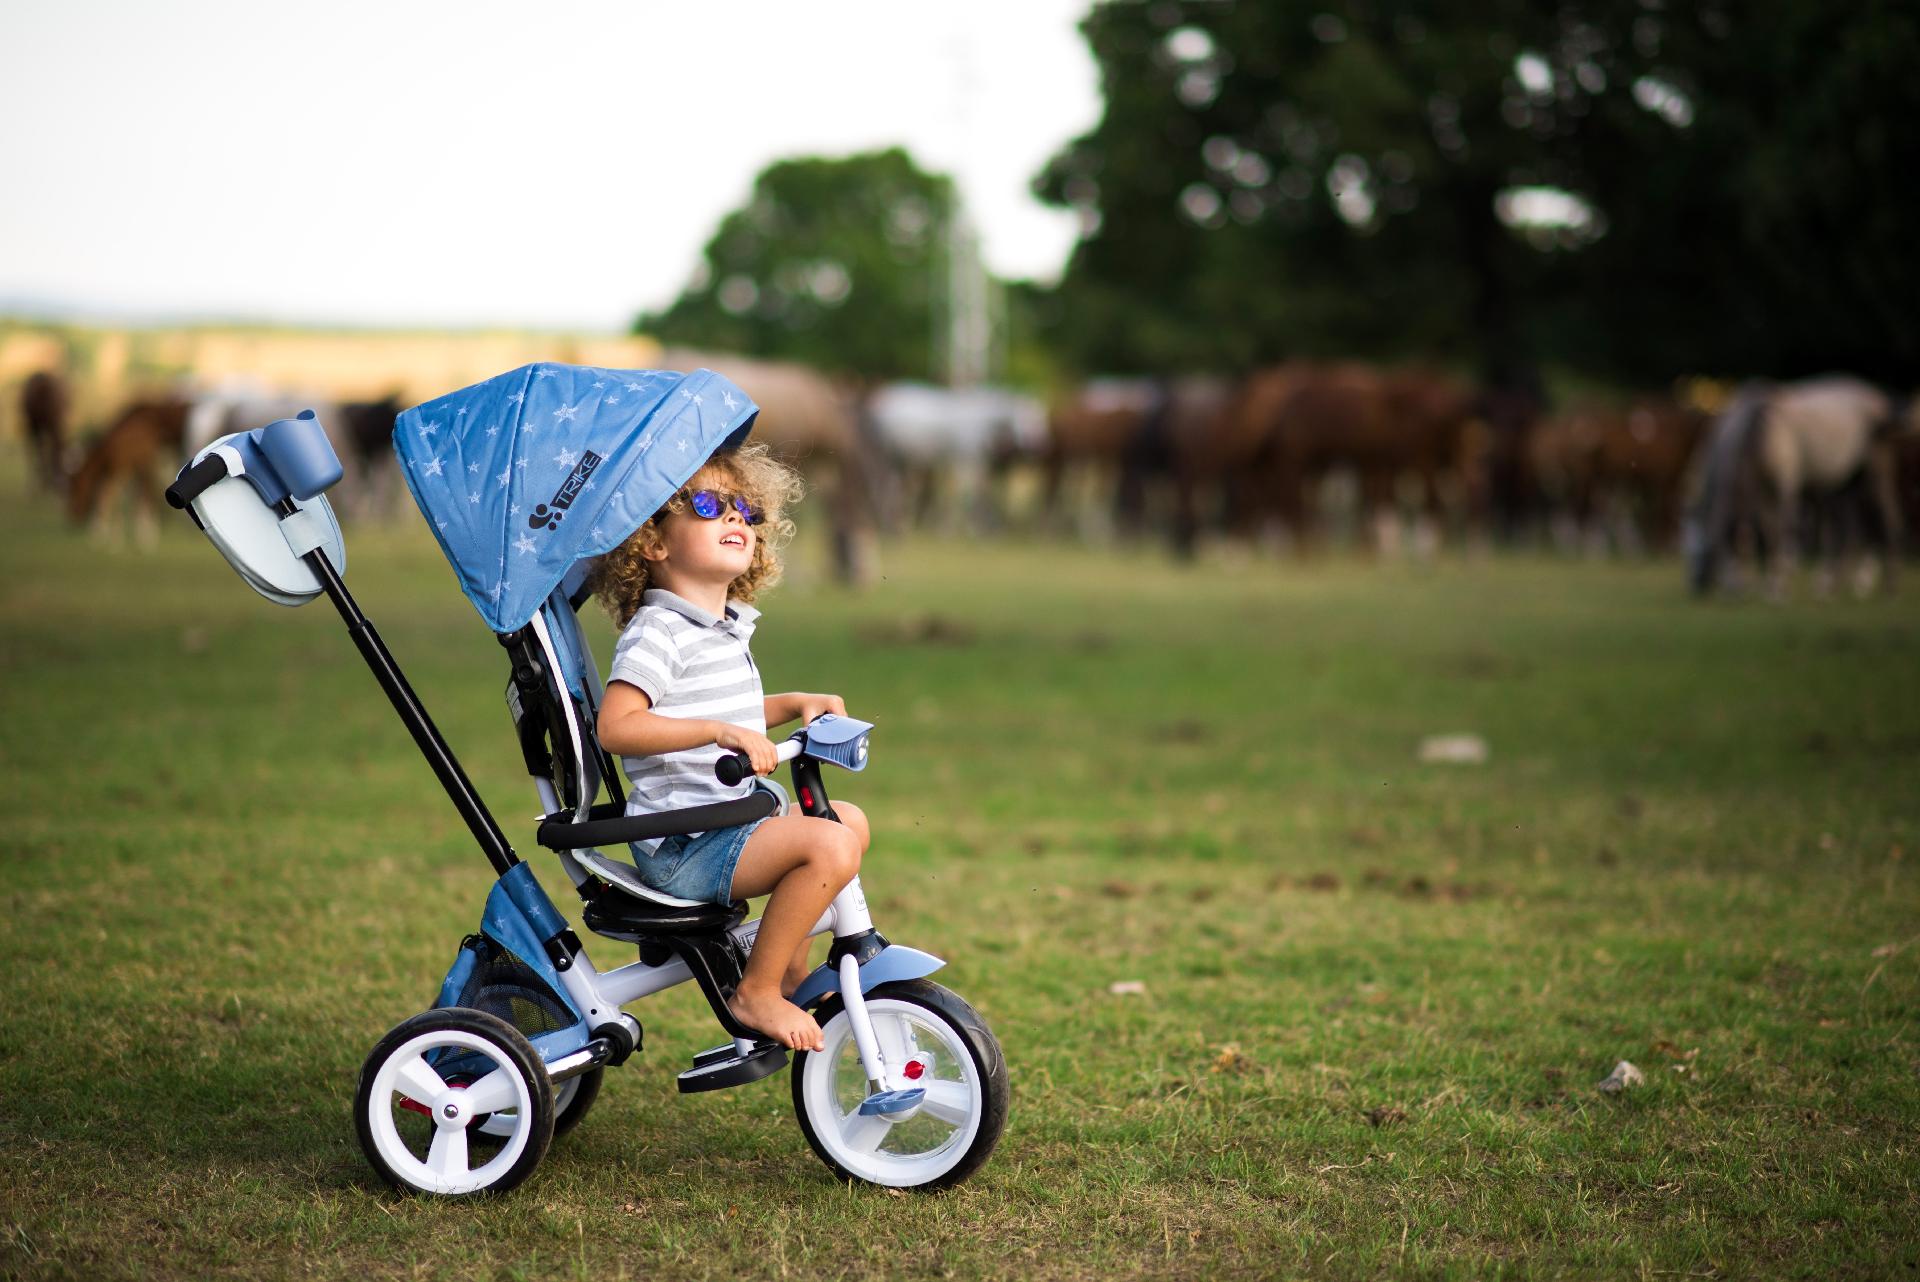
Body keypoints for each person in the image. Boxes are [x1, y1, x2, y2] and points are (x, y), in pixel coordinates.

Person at [589, 444, 866, 1052]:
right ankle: (756, 993)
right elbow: (619, 725)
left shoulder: (722, 624)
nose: (736, 517)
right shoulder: (659, 631)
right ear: (653, 541)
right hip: (686, 842)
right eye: (710, 505)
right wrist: (719, 733)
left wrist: (790, 703)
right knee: (827, 842)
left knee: (848, 822)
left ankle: (786, 970)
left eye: (746, 509)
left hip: (728, 823)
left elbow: (727, 713)